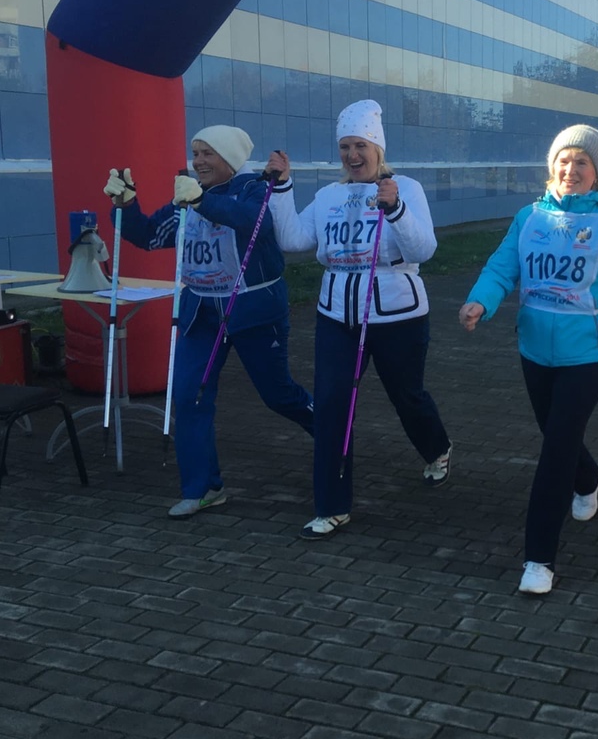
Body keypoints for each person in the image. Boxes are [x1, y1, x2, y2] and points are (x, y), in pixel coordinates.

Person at [459, 125, 598, 596]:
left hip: (589, 356)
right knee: (556, 436)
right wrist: (480, 301)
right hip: (534, 352)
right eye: (564, 160)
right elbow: (502, 267)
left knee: (554, 453)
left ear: (597, 173)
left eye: (582, 162)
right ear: (552, 167)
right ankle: (589, 477)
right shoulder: (528, 218)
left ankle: (539, 559)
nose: (571, 169)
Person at [103, 125, 314, 518]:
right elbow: (150, 235)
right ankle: (203, 488)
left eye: (207, 153)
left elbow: (255, 222)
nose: (198, 161)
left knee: (278, 394)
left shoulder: (253, 187)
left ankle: (331, 432)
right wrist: (126, 205)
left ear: (229, 158)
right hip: (200, 312)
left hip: (252, 310)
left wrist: (203, 202)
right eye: (195, 153)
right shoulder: (188, 194)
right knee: (189, 396)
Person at [269, 99, 452, 540]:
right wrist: (282, 188)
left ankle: (437, 447)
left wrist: (396, 210)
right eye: (345, 147)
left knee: (406, 396)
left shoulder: (405, 187)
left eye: (360, 146)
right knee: (333, 405)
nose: (352, 155)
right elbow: (293, 239)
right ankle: (331, 506)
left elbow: (423, 250)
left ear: (377, 148)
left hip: (397, 316)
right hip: (337, 315)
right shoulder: (329, 196)